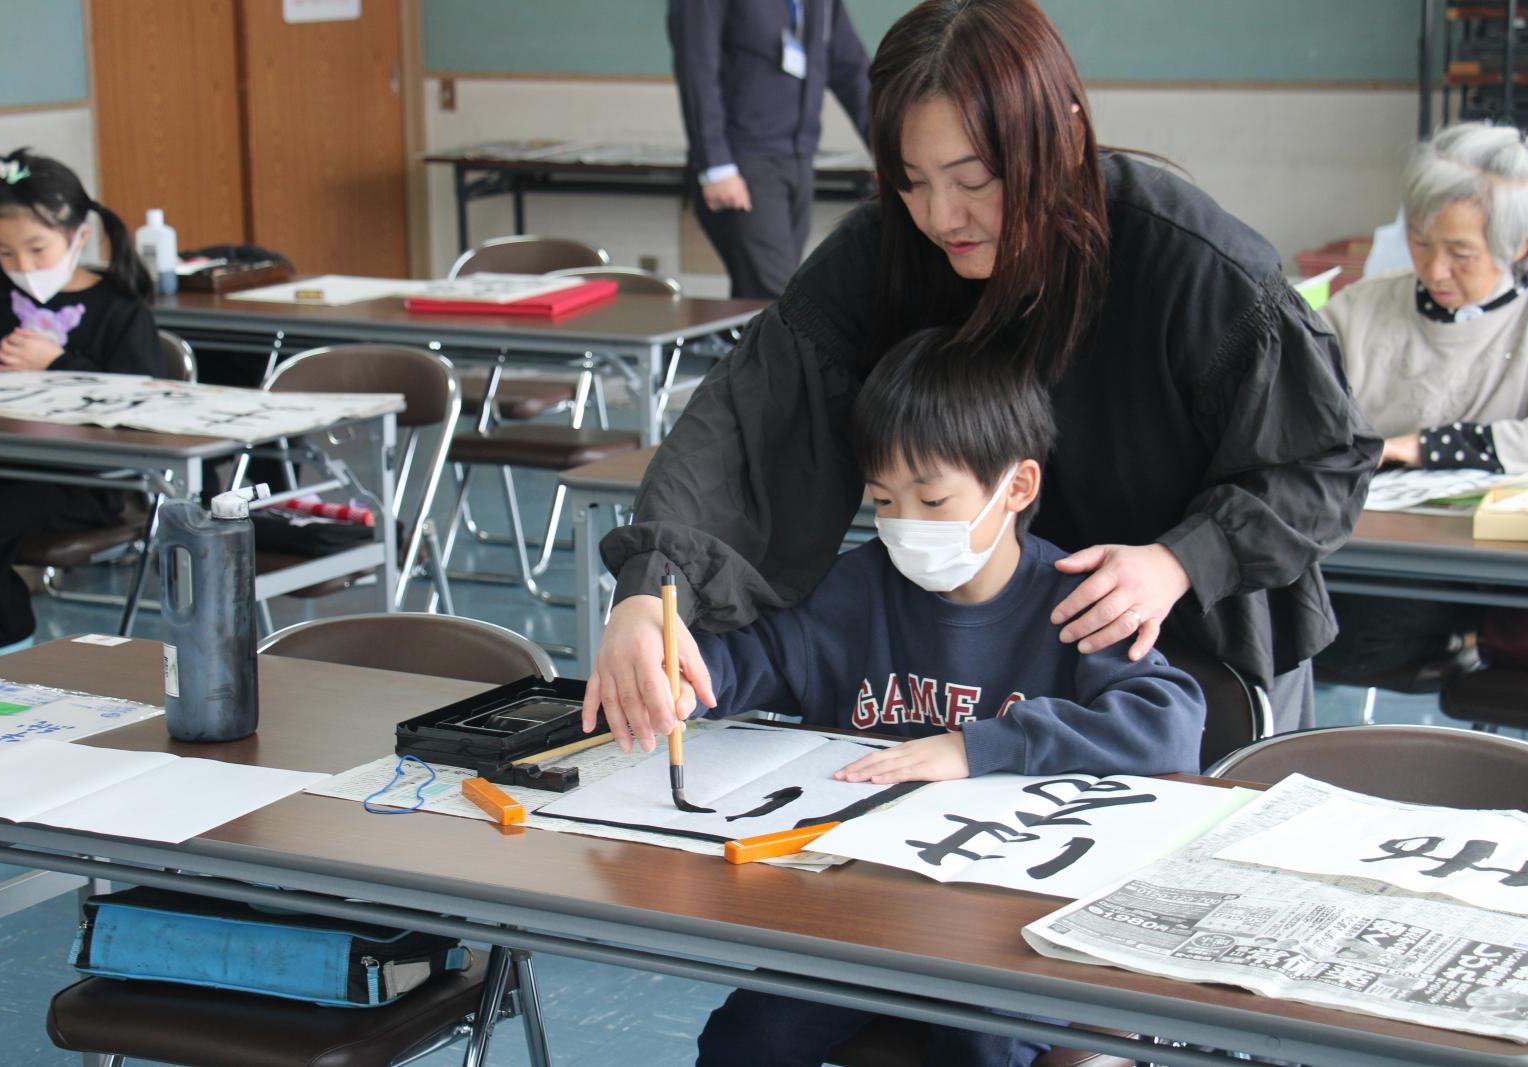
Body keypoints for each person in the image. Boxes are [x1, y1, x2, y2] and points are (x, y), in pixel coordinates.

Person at [587, 0, 1378, 748]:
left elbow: (1322, 464)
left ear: (1064, 137)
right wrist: (653, 590)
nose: (941, 217)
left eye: (973, 181)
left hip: (1185, 649)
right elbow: (750, 423)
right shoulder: (884, 253)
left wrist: (1178, 560)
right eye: (911, 179)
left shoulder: (1192, 265)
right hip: (988, 661)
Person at [685, 328, 1205, 1066]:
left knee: (980, 1039)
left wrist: (979, 746)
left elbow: (1167, 725)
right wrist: (676, 675)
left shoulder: (1076, 603)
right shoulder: (854, 589)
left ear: (1016, 487)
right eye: (883, 500)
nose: (905, 525)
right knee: (748, 1038)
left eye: (931, 499)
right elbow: (750, 660)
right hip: (864, 908)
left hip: (1012, 922)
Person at [0, 148, 158, 667]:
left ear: (79, 236)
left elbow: (144, 408)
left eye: (37, 249)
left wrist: (58, 362)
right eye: (6, 252)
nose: (23, 267)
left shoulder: (119, 309)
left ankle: (0, 663)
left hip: (88, 482)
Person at [1317, 122, 1528, 680]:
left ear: (1517, 247)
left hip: (1463, 568)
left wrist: (1420, 447)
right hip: (1344, 547)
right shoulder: (1359, 309)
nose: (1435, 270)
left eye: (1461, 253)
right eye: (1421, 241)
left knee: (1364, 630)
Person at [668, 0, 872, 299]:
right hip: (744, 162)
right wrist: (715, 165)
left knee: (769, 298)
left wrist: (891, 149)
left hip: (799, 158)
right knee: (775, 299)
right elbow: (697, 67)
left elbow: (851, 68)